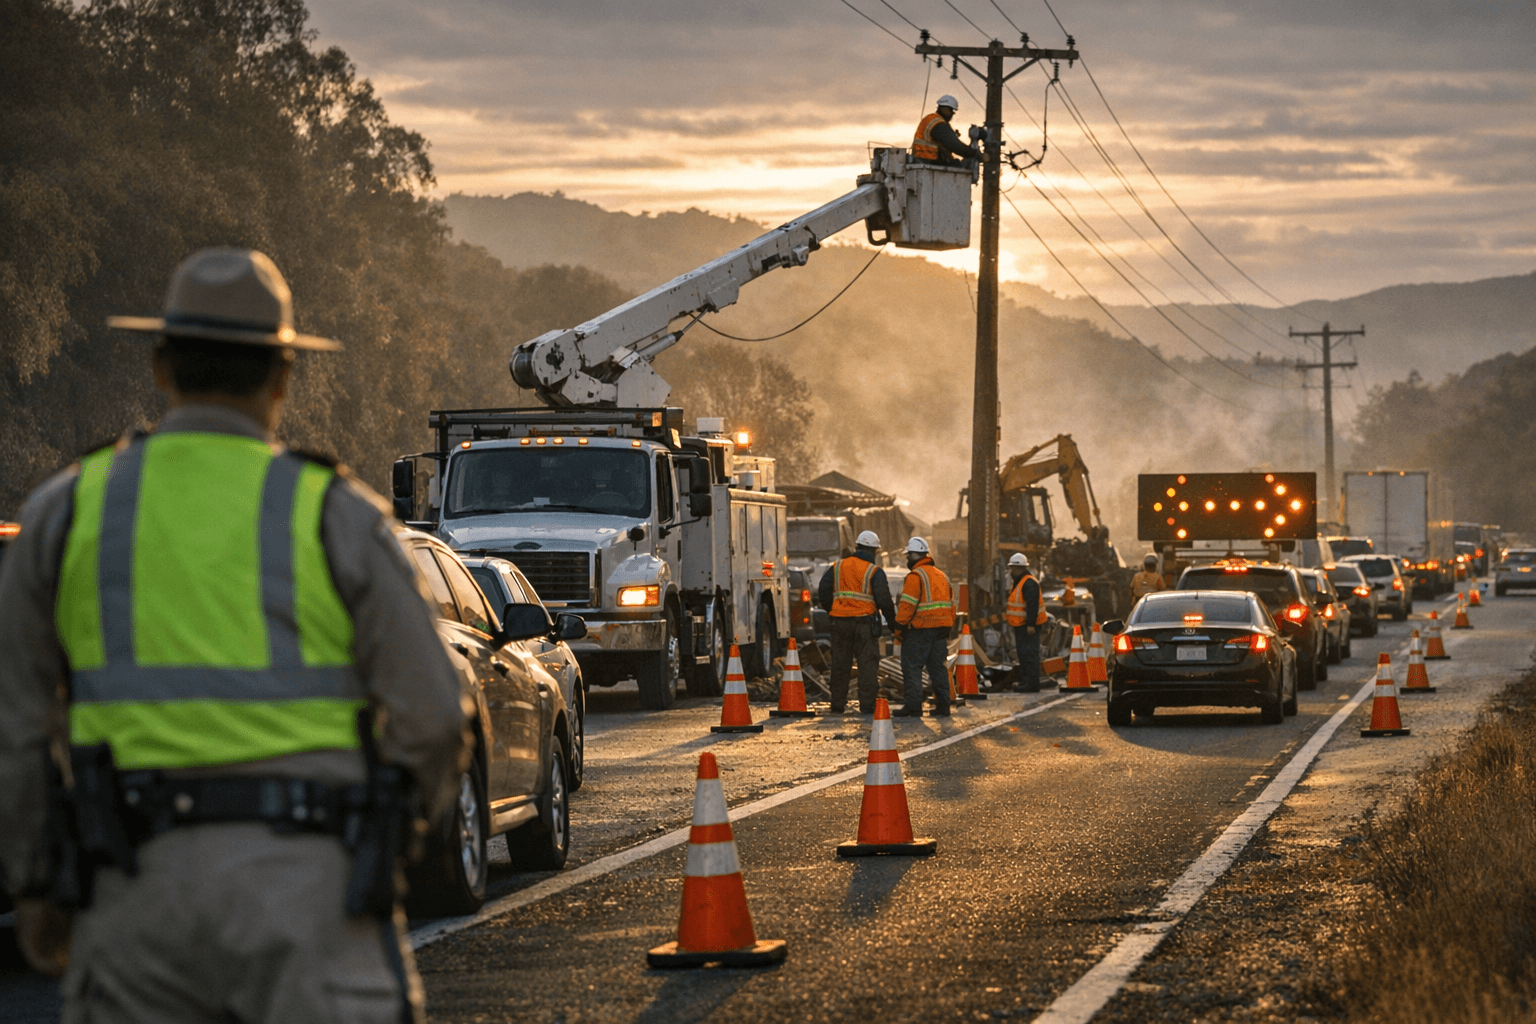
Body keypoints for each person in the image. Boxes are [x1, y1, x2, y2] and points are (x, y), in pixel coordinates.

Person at [0, 248, 470, 1024]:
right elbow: (435, 715)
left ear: (160, 364)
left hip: (132, 905)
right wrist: (386, 846)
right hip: (311, 899)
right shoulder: (336, 515)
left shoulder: (68, 510)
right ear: (284, 375)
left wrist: (34, 879)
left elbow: (15, 726)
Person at [817, 530, 897, 714]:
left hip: (840, 625)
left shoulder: (838, 566)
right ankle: (867, 706)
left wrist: (833, 611)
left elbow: (823, 589)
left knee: (840, 664)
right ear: (874, 551)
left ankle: (837, 704)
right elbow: (884, 601)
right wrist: (894, 626)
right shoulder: (874, 571)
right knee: (867, 665)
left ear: (858, 547)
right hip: (864, 625)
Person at [893, 537, 955, 717]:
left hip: (920, 630)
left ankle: (913, 706)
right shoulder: (941, 575)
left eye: (908, 556)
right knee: (938, 668)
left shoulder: (915, 576)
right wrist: (947, 626)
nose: (907, 560)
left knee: (912, 666)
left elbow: (907, 606)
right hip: (940, 630)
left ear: (914, 555)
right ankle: (944, 706)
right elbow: (951, 604)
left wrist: (898, 628)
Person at [1006, 553, 1045, 693]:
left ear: (1019, 568)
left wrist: (1030, 624)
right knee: (1024, 653)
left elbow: (1032, 605)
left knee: (1029, 654)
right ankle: (1027, 681)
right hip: (1021, 625)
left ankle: (1032, 684)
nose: (1011, 572)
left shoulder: (1028, 583)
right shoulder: (1022, 581)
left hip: (1027, 626)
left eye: (1013, 568)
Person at [912, 94, 983, 165]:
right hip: (931, 161)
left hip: (921, 160)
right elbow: (955, 145)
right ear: (945, 109)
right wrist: (975, 154)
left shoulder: (931, 119)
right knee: (961, 164)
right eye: (951, 111)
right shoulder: (939, 124)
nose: (952, 114)